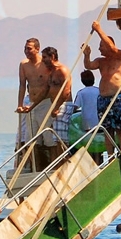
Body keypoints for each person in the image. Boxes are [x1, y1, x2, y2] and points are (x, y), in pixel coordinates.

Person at [85, 20, 121, 149]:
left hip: (117, 97)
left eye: (101, 45)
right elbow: (88, 66)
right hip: (103, 98)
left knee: (120, 129)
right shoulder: (101, 61)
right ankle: (110, 157)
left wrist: (99, 30)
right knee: (107, 130)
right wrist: (86, 55)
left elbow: (112, 48)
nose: (99, 48)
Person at [17, 38, 55, 167]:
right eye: (25, 48)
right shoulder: (23, 65)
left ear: (37, 49)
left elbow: (51, 84)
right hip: (31, 105)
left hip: (45, 104)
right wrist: (20, 105)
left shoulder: (44, 64)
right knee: (31, 140)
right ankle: (37, 168)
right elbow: (22, 85)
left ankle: (55, 166)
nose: (26, 51)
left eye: (29, 48)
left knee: (50, 139)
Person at [43, 46, 74, 148]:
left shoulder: (62, 70)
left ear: (52, 56)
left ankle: (65, 161)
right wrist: (31, 106)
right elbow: (46, 91)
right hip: (55, 106)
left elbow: (66, 91)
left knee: (61, 141)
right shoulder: (52, 71)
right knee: (56, 140)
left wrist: (56, 108)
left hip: (63, 105)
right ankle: (59, 163)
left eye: (44, 57)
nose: (43, 60)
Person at [73, 70, 100, 136]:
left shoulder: (81, 92)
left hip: (87, 121)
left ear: (82, 81)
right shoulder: (99, 91)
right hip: (99, 119)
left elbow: (76, 106)